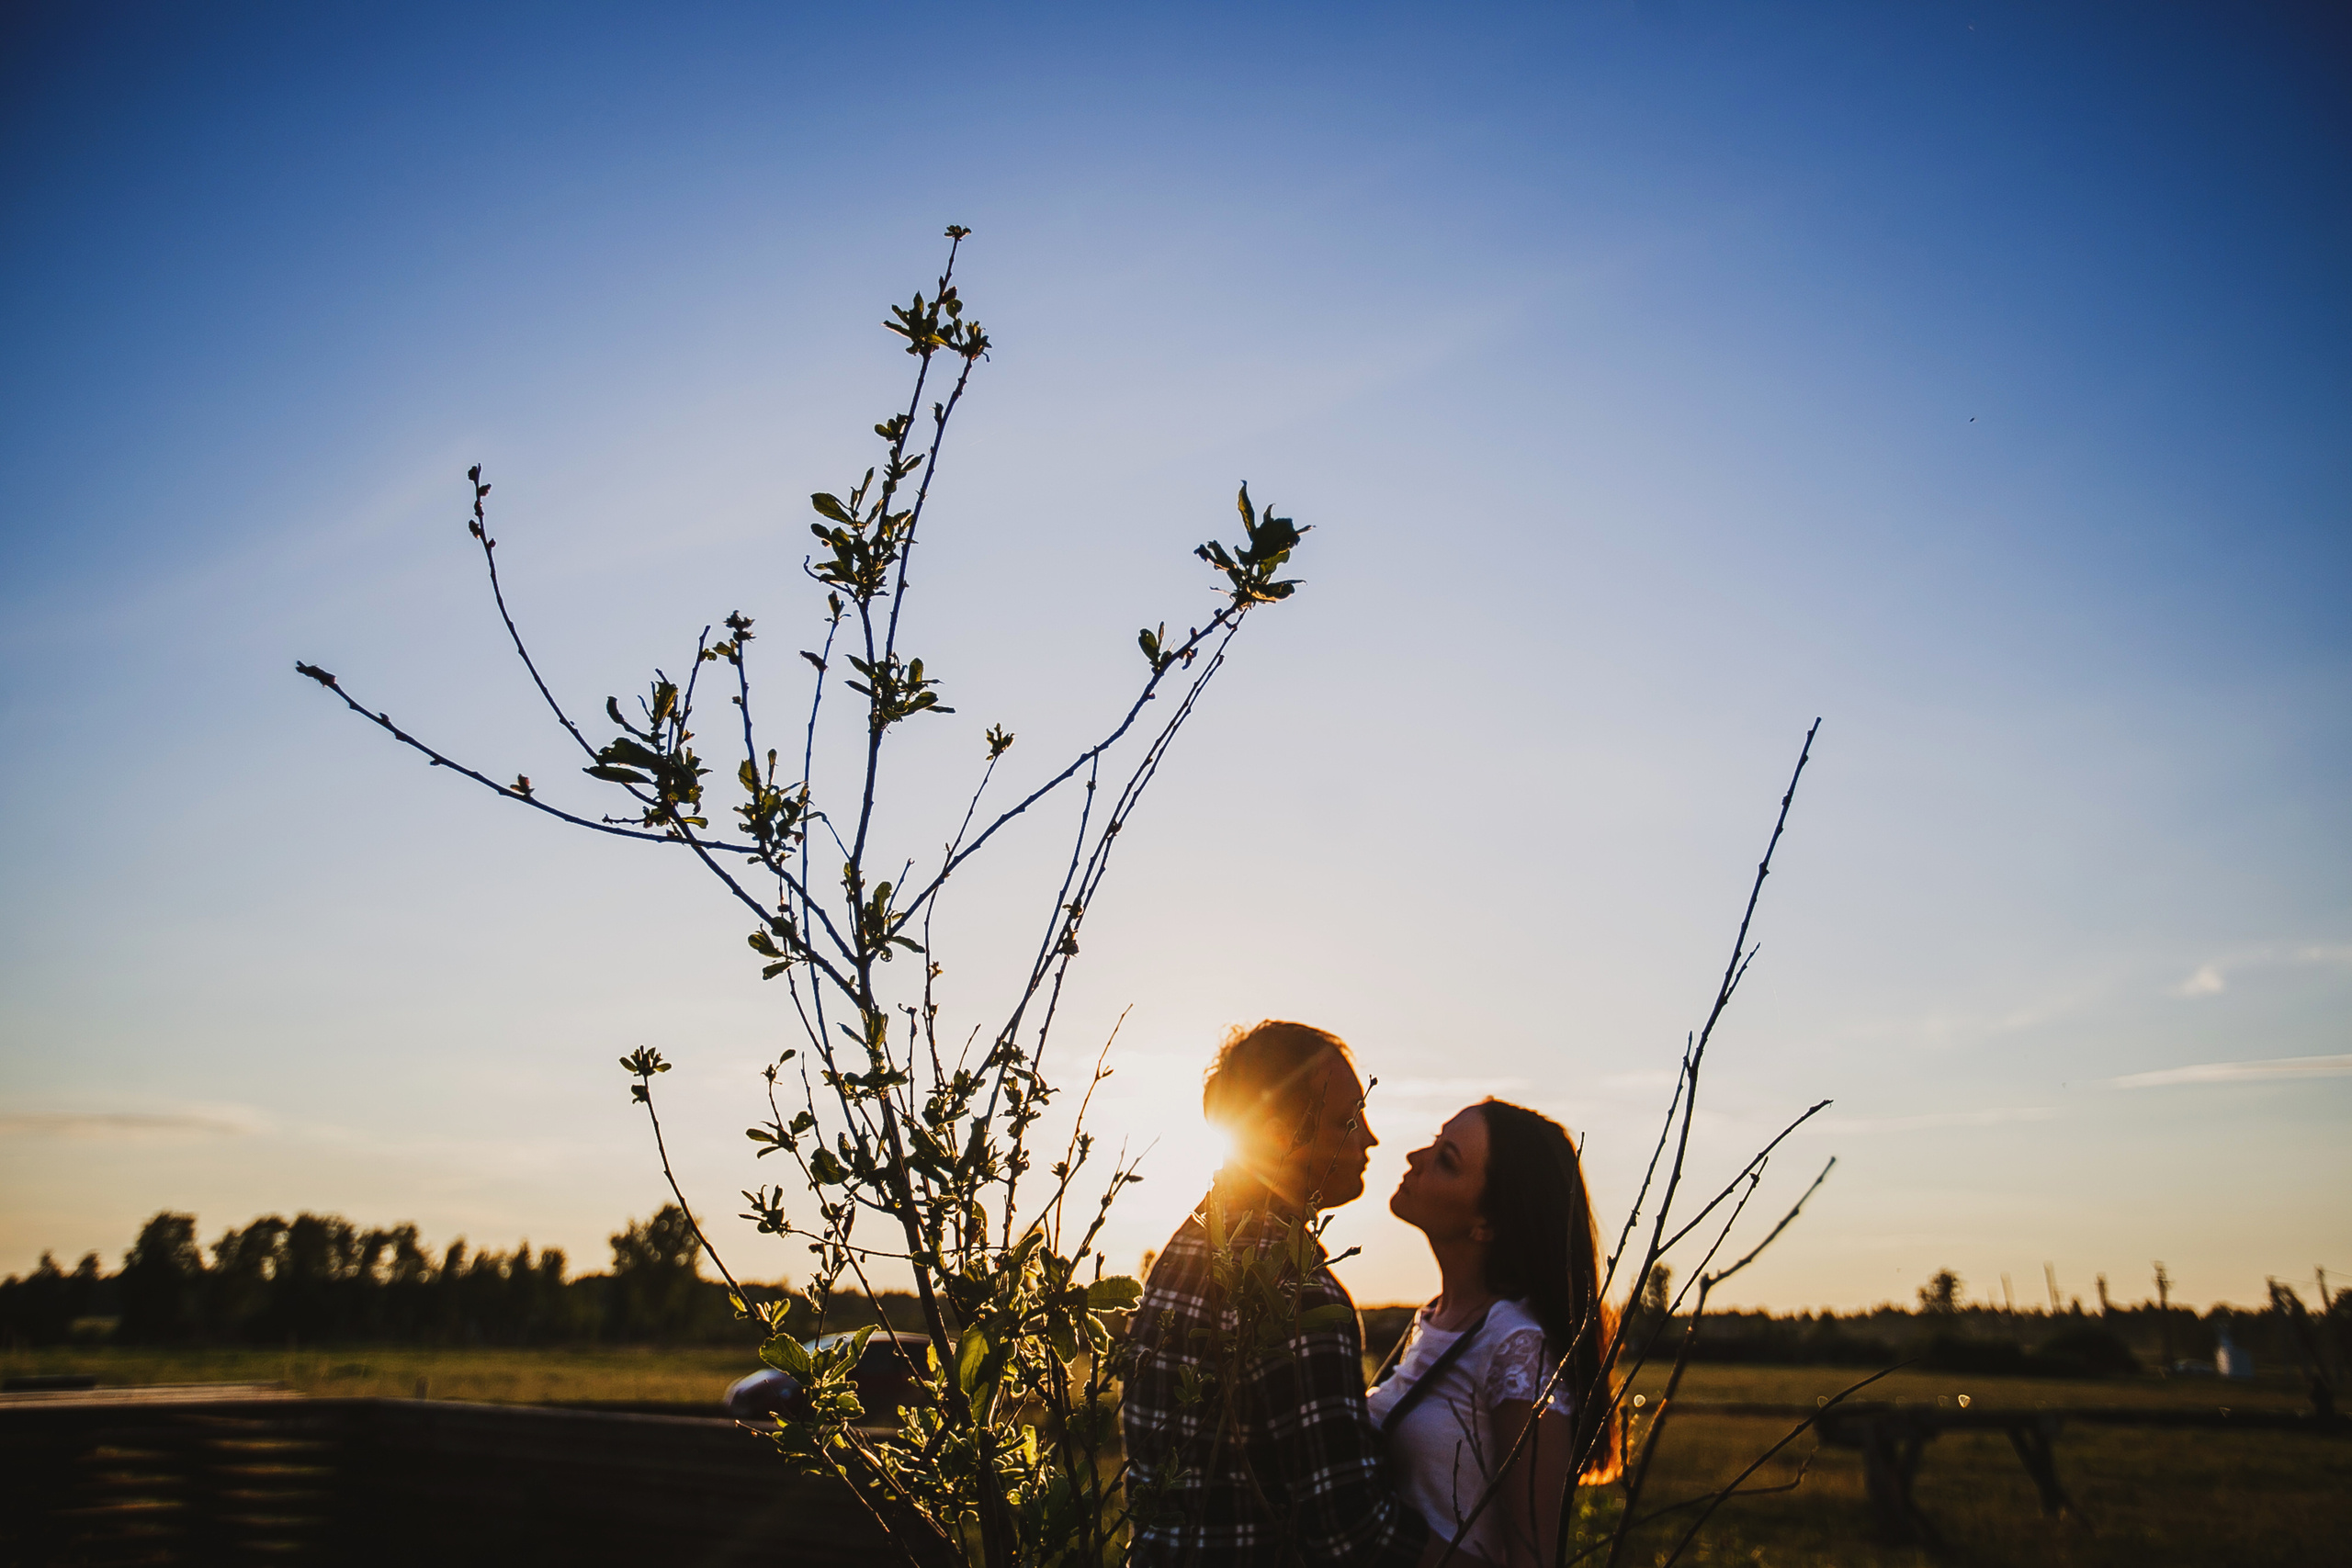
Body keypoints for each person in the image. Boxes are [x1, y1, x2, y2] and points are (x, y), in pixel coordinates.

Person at [1125, 1021, 1475, 1568]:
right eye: (1347, 1120)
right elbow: (1352, 1536)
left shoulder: (1184, 1248)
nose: (1371, 1138)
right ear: (1275, 1136)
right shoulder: (1299, 1293)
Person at [1370, 1100, 1619, 1568]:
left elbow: (1534, 1561)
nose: (1414, 1158)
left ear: (1487, 1224)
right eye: (1435, 1139)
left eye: (1446, 1159)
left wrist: (1372, 1535)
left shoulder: (1517, 1347)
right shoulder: (1434, 1320)